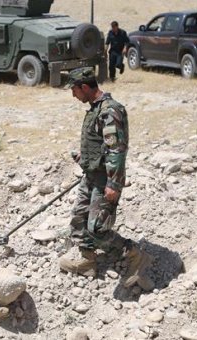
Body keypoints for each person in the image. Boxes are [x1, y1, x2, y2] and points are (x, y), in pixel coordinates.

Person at [59, 67, 153, 290]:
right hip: (92, 175)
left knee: (98, 228)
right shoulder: (96, 109)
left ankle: (135, 256)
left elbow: (116, 150)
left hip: (105, 180)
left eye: (74, 90)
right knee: (79, 220)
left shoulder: (109, 111)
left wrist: (113, 183)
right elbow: (103, 144)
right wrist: (87, 156)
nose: (73, 95)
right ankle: (87, 261)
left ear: (84, 87)